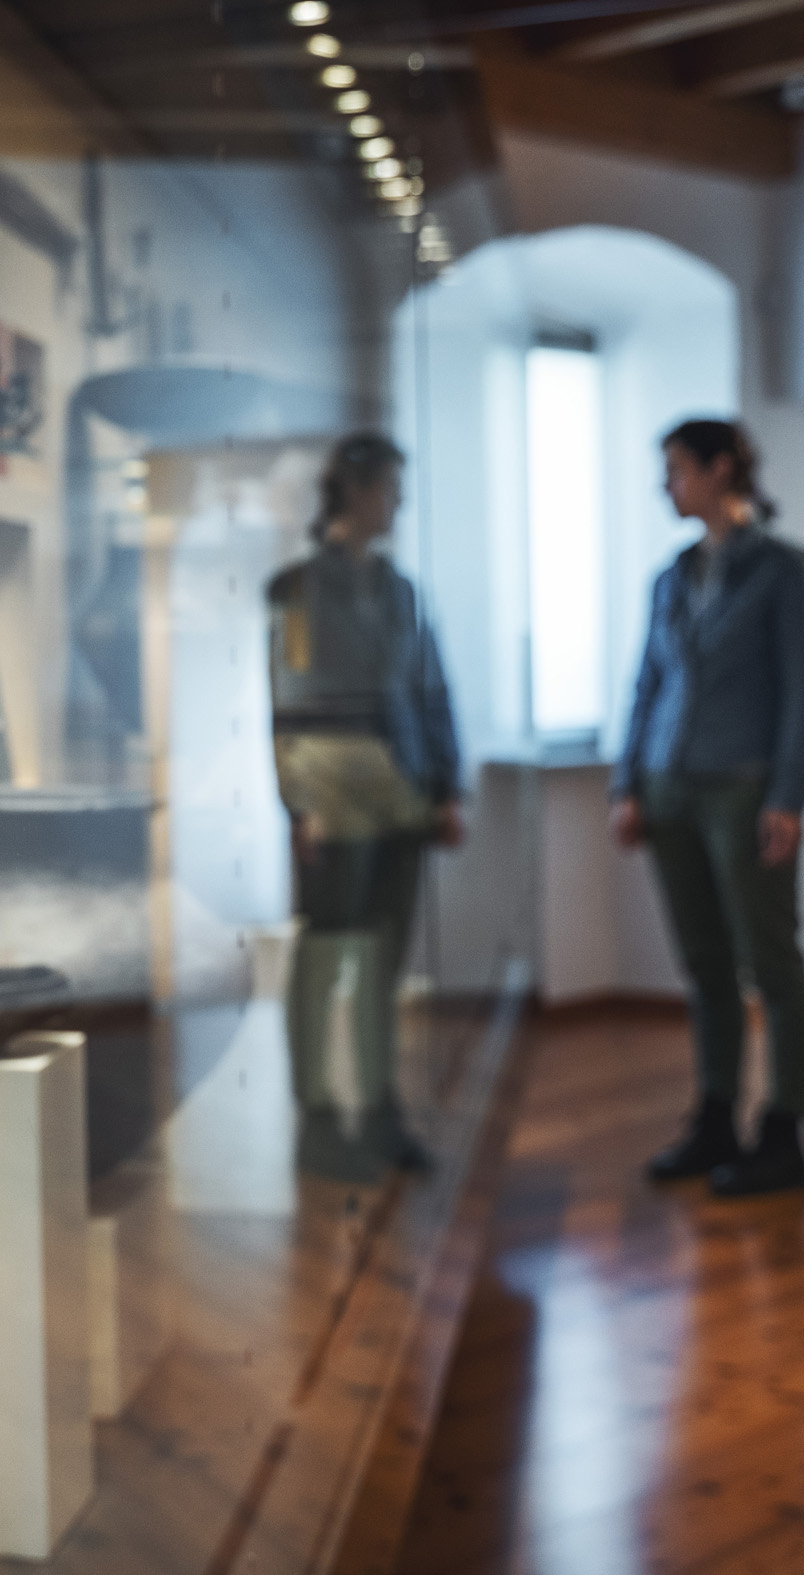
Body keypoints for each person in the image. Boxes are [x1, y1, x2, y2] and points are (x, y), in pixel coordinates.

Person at [613, 419, 804, 1198]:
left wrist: (789, 795)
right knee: (704, 965)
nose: (665, 485)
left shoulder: (783, 570)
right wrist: (627, 784)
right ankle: (714, 1117)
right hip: (669, 786)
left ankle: (784, 1130)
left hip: (745, 788)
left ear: (721, 469)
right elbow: (646, 684)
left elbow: (803, 690)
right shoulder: (670, 577)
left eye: (676, 469)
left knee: (771, 960)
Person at [268, 433, 464, 1182]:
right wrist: (299, 805)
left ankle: (380, 1112)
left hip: (400, 794)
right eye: (390, 488)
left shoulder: (402, 591)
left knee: (383, 961)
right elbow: (283, 701)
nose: (399, 504)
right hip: (333, 796)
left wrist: (444, 788)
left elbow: (431, 688)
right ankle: (318, 1120)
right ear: (356, 490)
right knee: (325, 958)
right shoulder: (295, 589)